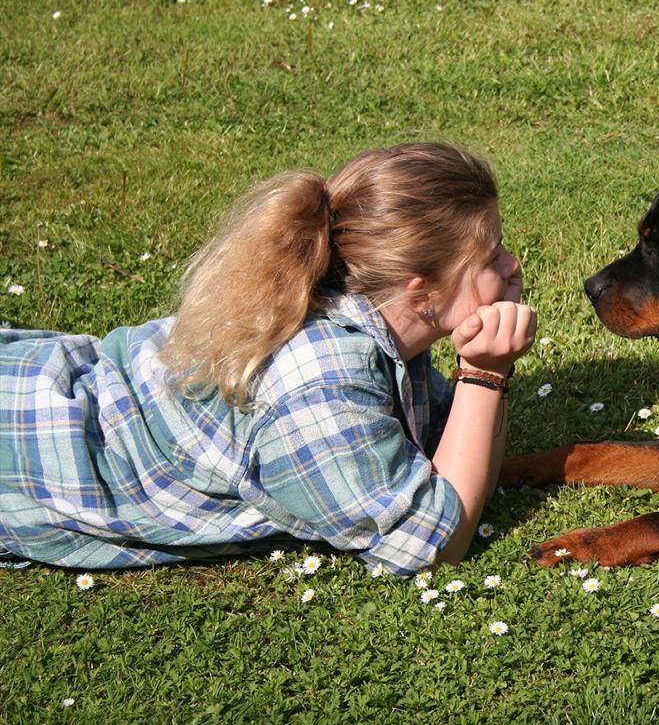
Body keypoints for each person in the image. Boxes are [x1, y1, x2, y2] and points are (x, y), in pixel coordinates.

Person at [0, 142, 535, 576]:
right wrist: (484, 375)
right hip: (33, 439)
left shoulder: (378, 322)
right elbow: (439, 542)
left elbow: (451, 462)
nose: (513, 263)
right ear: (421, 293)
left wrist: (487, 374)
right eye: (490, 257)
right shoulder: (322, 389)